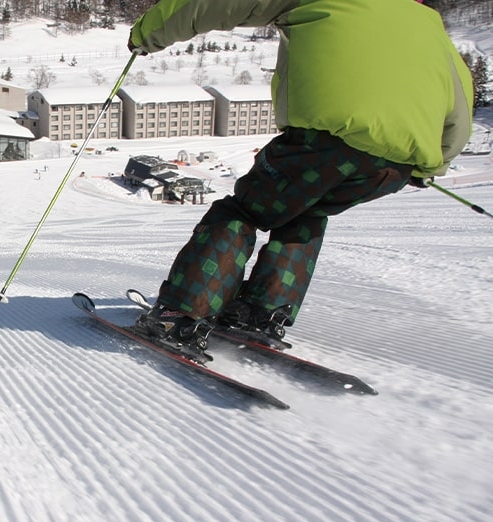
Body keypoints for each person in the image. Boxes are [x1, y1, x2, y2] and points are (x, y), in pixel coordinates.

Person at [127, 0, 473, 361]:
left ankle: (181, 316)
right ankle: (261, 312)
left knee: (245, 211)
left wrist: (146, 34)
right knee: (303, 212)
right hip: (396, 165)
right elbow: (460, 110)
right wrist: (429, 166)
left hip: (325, 139)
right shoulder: (428, 22)